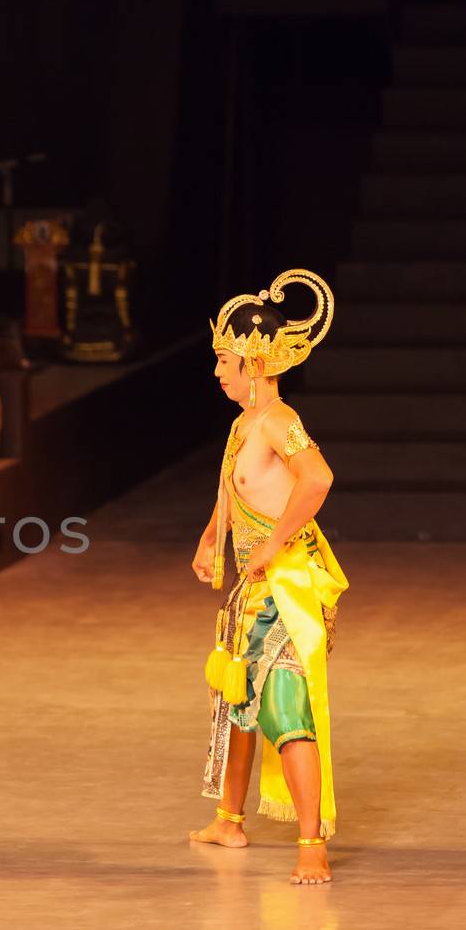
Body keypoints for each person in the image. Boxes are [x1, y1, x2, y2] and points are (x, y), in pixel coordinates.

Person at [187, 268, 349, 886]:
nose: (219, 372)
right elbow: (235, 492)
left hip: (287, 588)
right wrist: (211, 539)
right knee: (237, 699)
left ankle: (312, 844)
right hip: (254, 587)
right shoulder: (241, 427)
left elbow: (318, 479)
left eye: (225, 360)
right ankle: (229, 818)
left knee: (282, 707)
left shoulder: (279, 421)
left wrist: (273, 543)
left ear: (255, 362)